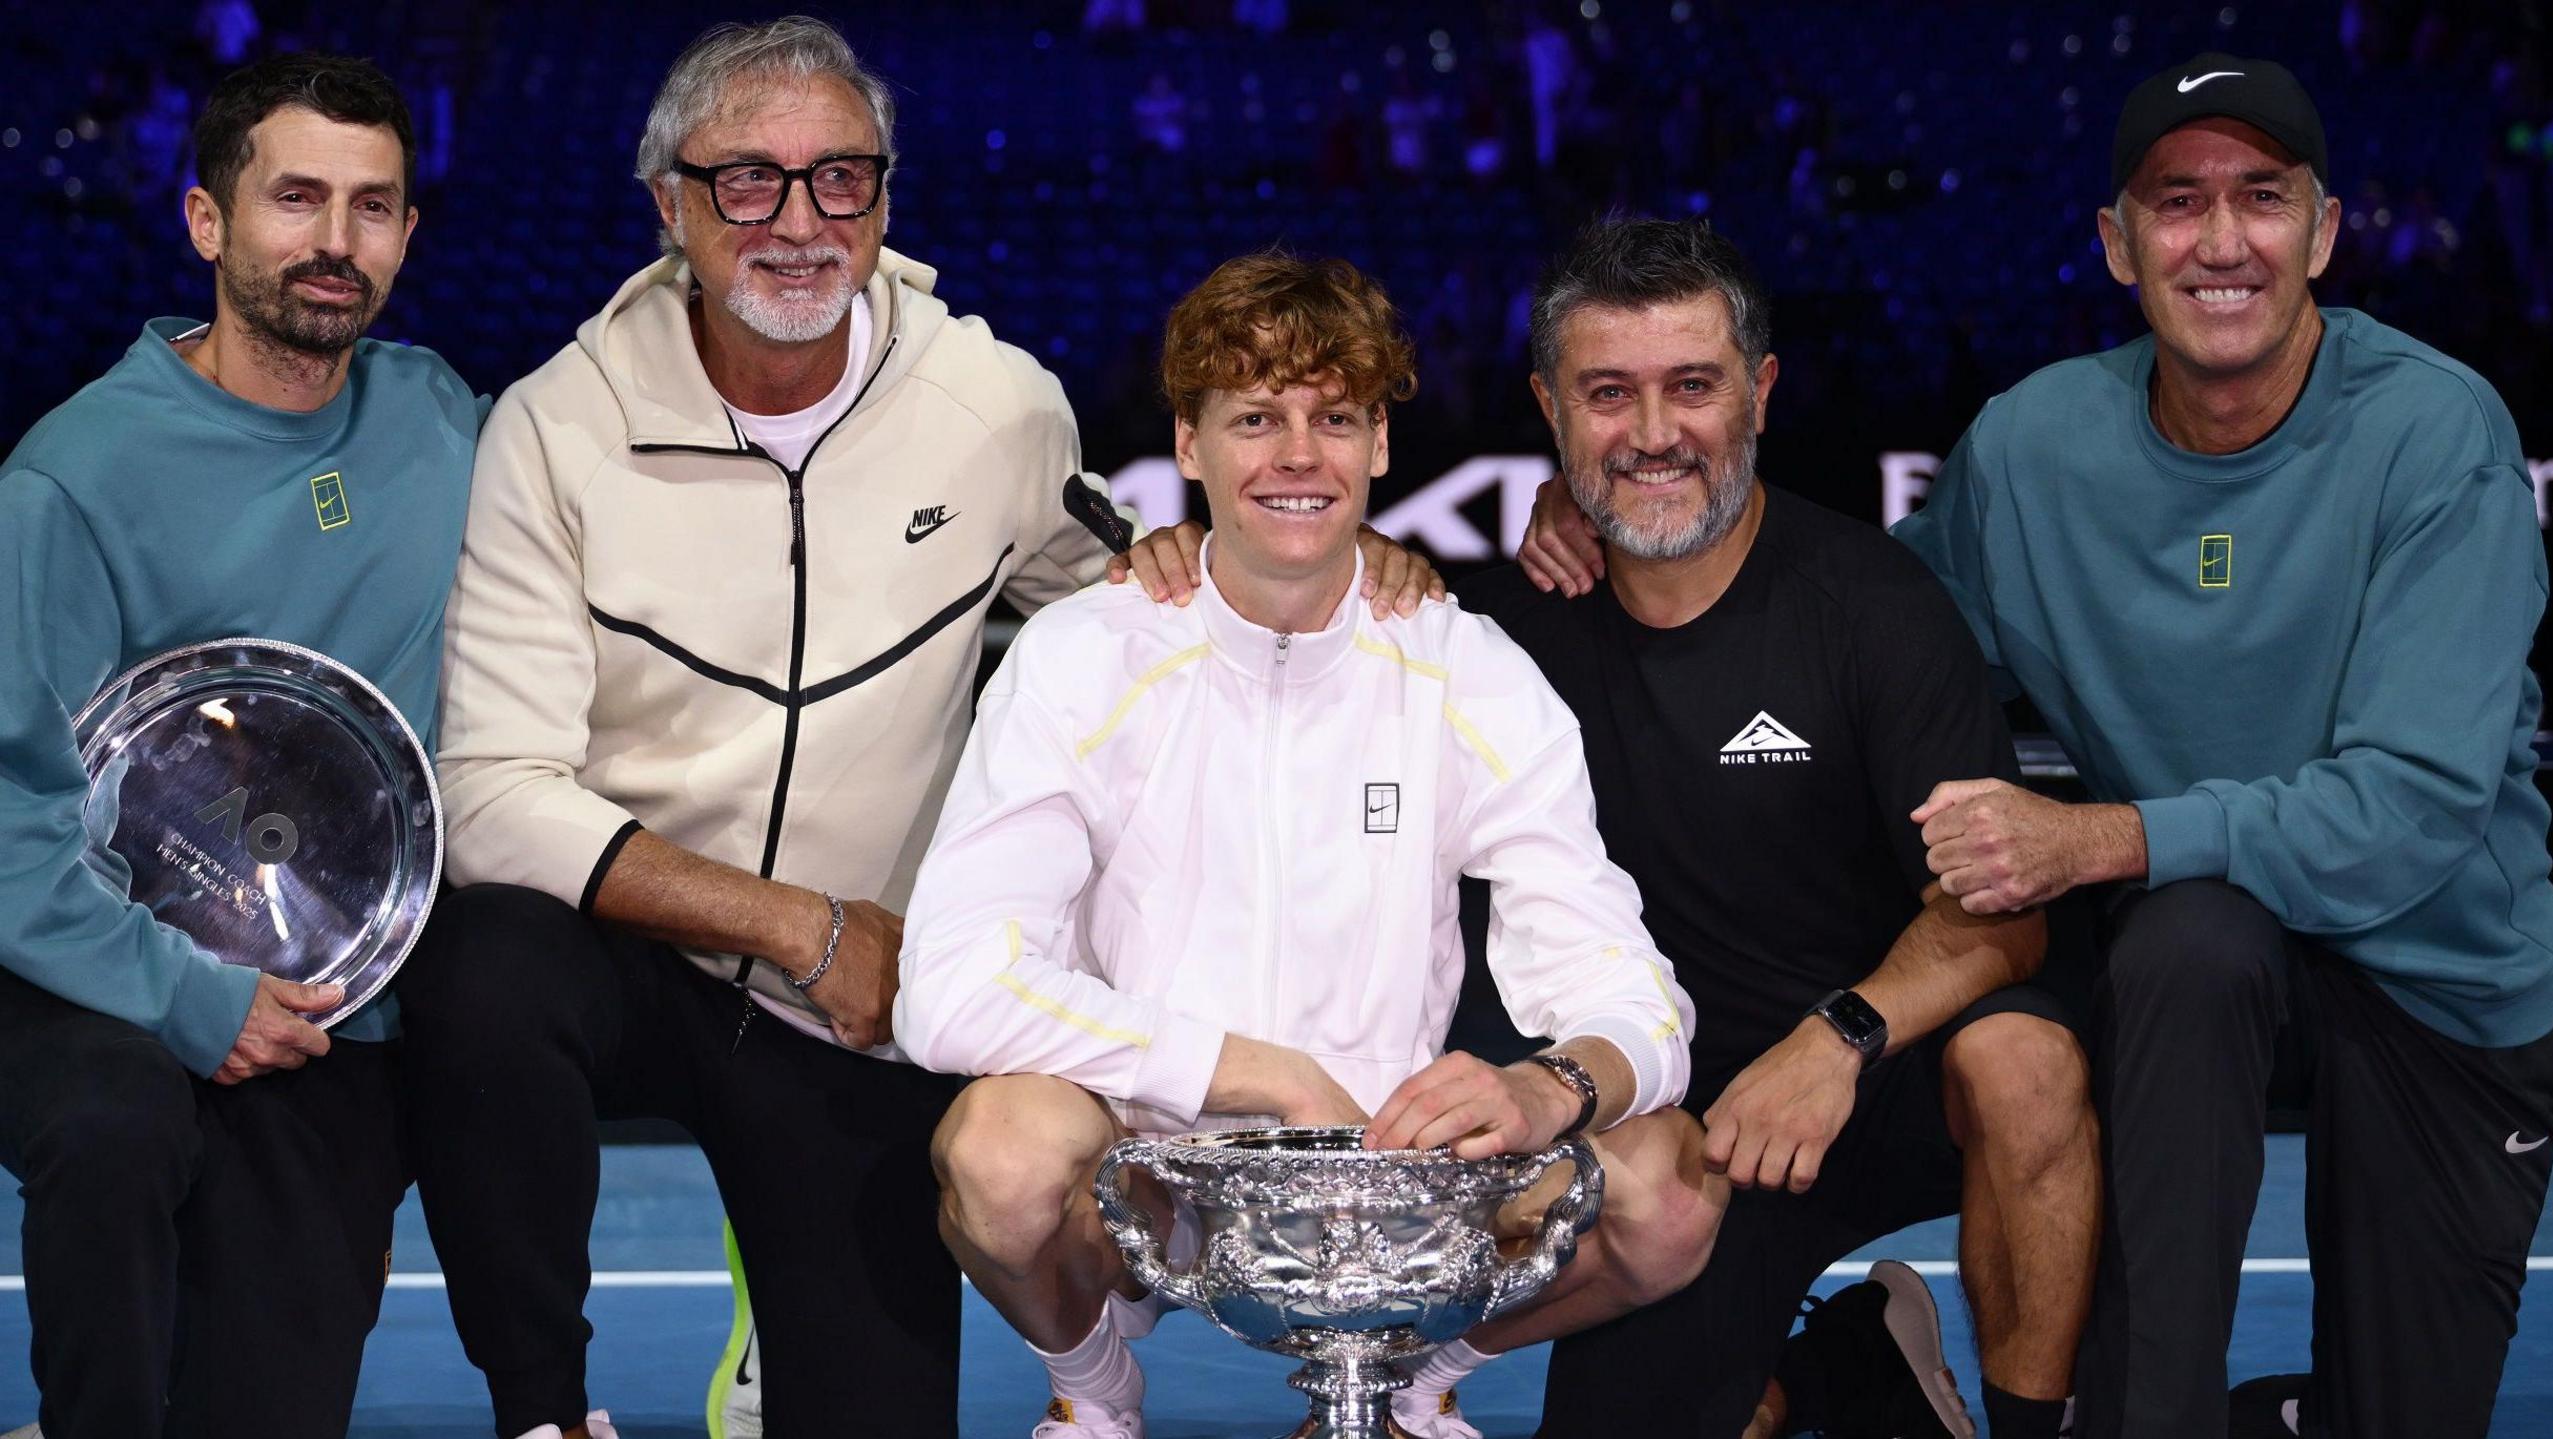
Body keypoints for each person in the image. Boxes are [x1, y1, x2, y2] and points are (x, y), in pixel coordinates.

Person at [393, 20, 1436, 1439]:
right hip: (636, 952)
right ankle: (547, 1408)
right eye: (750, 182)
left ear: (885, 198)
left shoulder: (992, 405)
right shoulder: (554, 427)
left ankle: (791, 1300)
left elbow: (1149, 610)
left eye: (841, 181)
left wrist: (1347, 569)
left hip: (860, 1009)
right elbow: (494, 791)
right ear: (671, 205)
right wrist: (796, 923)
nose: (802, 223)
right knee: (484, 968)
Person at [896, 250, 1721, 1439]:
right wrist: (1254, 1071)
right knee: (1003, 1147)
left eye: (1333, 418)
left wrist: (1547, 1085)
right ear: (1188, 446)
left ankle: (1409, 1380)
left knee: (1668, 1189)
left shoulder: (1465, 667)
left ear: (1380, 444)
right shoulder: (1082, 655)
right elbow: (949, 989)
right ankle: (1095, 1392)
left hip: (1390, 1178)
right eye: (1254, 418)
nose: (1297, 456)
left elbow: (1631, 992)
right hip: (1149, 1167)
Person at [1891, 54, 2553, 1439]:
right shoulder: (2033, 447)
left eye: (2262, 197)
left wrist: (2104, 835)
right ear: (2118, 244)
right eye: (2176, 200)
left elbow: (2412, 806)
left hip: (2439, 968)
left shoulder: (2441, 434)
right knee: (2191, 939)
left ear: (2322, 231)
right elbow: (1871, 644)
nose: (2220, 239)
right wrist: (1637, 538)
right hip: (2202, 964)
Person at [1493, 218, 2097, 1439]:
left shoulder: (1873, 606)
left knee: (2023, 1058)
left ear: (1759, 392)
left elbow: (2005, 921)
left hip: (1878, 1076)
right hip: (1672, 1126)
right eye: (1608, 393)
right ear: (1551, 408)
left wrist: (1841, 1038)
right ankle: (1832, 1372)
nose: (1654, 433)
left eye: (1692, 387)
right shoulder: (1498, 632)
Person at [0, 54, 478, 1439]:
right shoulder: (69, 480)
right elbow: (13, 810)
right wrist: (193, 1000)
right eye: (297, 198)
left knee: (263, 1406)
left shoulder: (438, 418)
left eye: (374, 207)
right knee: (111, 1132)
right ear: (208, 222)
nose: (336, 242)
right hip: (93, 976)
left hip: (334, 1013)